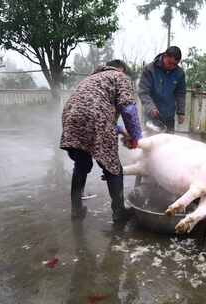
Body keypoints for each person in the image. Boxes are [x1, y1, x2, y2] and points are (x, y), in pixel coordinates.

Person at [60, 60, 142, 223]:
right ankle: (119, 213)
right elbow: (128, 109)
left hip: (71, 118)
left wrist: (122, 131)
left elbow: (95, 109)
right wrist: (136, 137)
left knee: (82, 165)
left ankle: (76, 210)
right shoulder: (119, 76)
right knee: (113, 168)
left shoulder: (91, 79)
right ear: (121, 69)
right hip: (96, 119)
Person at [138, 46, 186, 133]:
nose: (172, 66)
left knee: (168, 144)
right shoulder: (149, 69)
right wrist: (150, 107)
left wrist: (181, 112)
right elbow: (143, 92)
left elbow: (181, 94)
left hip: (169, 117)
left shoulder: (180, 73)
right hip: (151, 116)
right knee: (150, 142)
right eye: (169, 63)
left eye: (175, 64)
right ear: (165, 56)